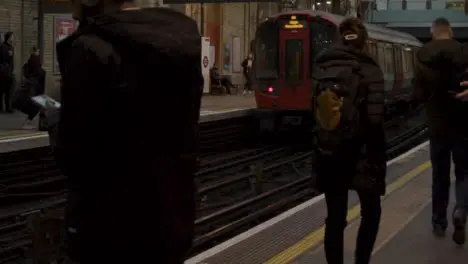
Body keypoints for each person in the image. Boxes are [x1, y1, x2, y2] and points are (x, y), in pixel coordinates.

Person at [46, 0, 202, 263]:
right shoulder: (182, 38)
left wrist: (53, 118)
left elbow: (73, 155)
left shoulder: (90, 48)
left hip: (108, 231)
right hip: (171, 220)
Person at [311, 17, 386, 264]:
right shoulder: (370, 69)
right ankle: (361, 261)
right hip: (362, 154)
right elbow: (375, 121)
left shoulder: (322, 67)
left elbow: (314, 112)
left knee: (334, 218)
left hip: (329, 153)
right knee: (371, 212)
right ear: (363, 40)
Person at [413, 17, 468, 245]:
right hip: (464, 125)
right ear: (451, 31)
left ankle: (438, 222)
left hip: (437, 127)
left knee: (440, 176)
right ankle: (461, 211)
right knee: (464, 173)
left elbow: (417, 95)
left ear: (432, 32)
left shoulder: (422, 57)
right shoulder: (464, 53)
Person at [13, 47, 46, 129]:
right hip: (35, 87)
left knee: (37, 106)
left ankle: (28, 123)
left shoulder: (29, 61)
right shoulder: (35, 59)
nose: (39, 52)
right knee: (37, 106)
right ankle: (29, 123)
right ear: (35, 51)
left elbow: (27, 72)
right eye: (38, 51)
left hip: (32, 86)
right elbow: (38, 72)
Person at [0, 31, 15, 113]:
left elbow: (11, 61)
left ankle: (8, 107)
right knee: (2, 90)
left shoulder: (11, 47)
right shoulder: (2, 47)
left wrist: (12, 70)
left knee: (9, 90)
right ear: (8, 38)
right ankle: (2, 107)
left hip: (9, 72)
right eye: (12, 36)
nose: (13, 38)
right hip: (3, 72)